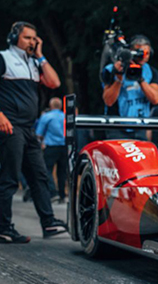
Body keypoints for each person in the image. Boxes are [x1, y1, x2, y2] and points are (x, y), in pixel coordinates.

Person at [0, 21, 67, 243]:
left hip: (29, 129)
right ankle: (3, 227)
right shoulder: (4, 58)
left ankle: (49, 223)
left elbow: (54, 82)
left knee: (39, 176)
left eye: (34, 38)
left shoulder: (34, 63)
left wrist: (40, 55)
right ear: (14, 39)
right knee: (9, 178)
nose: (32, 42)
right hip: (10, 127)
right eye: (27, 38)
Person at [101, 34, 158, 140]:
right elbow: (108, 101)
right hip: (117, 127)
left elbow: (155, 99)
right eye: (140, 52)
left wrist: (140, 78)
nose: (144, 56)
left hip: (140, 126)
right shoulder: (111, 70)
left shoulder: (151, 72)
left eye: (147, 53)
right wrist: (119, 77)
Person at [35, 97, 67, 202]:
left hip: (51, 146)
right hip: (64, 146)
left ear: (51, 106)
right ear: (61, 106)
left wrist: (41, 142)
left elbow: (39, 133)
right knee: (62, 172)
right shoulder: (65, 117)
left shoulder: (46, 117)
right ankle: (62, 194)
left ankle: (53, 192)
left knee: (47, 169)